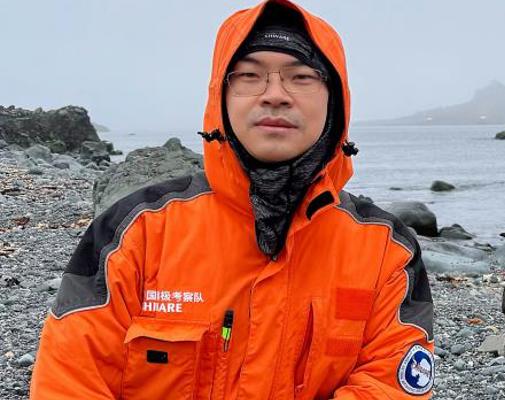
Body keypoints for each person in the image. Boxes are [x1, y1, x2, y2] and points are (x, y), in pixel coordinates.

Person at [30, 1, 434, 398]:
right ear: (220, 96)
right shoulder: (135, 231)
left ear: (337, 100)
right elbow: (69, 381)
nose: (275, 94)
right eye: (249, 75)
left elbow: (389, 386)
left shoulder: (387, 252)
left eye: (302, 76)